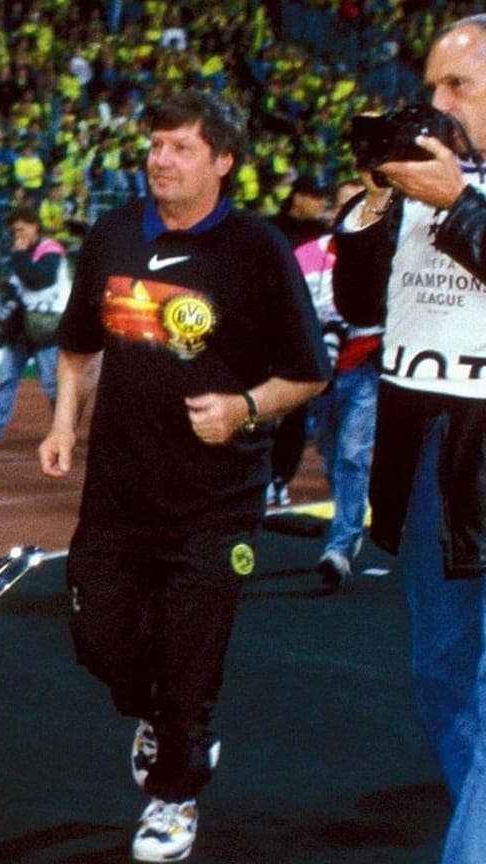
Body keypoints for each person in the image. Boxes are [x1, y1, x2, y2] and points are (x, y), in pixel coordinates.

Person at [38, 90, 329, 862]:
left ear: (223, 160)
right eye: (156, 145)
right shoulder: (110, 235)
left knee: (193, 656)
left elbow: (308, 373)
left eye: (182, 147)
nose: (161, 160)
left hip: (215, 502)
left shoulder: (256, 251)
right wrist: (65, 422)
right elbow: (76, 346)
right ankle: (159, 717)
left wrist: (242, 407)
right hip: (118, 496)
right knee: (99, 640)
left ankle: (174, 794)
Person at [330, 16, 486, 863]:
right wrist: (374, 207)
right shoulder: (430, 185)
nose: (434, 103)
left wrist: (460, 203)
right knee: (441, 674)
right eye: (430, 85)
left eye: (457, 86)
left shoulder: (455, 193)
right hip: (426, 447)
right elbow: (358, 302)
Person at [302, 177, 383, 589]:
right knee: (332, 453)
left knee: (353, 454)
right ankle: (346, 521)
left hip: (364, 366)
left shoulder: (384, 251)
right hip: (319, 371)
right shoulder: (306, 255)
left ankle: (341, 545)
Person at [0, 203, 68, 442]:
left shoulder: (50, 249)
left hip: (47, 326)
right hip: (23, 326)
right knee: (6, 378)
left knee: (51, 384)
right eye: (15, 232)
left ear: (35, 226)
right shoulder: (22, 253)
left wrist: (19, 255)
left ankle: (63, 429)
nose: (19, 235)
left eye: (22, 229)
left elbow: (38, 279)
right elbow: (17, 285)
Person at [265, 174, 334, 506]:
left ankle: (279, 477)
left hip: (306, 329)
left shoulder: (326, 236)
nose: (321, 204)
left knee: (294, 408)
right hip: (266, 326)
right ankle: (255, 472)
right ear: (299, 197)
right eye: (316, 196)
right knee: (257, 404)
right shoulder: (269, 229)